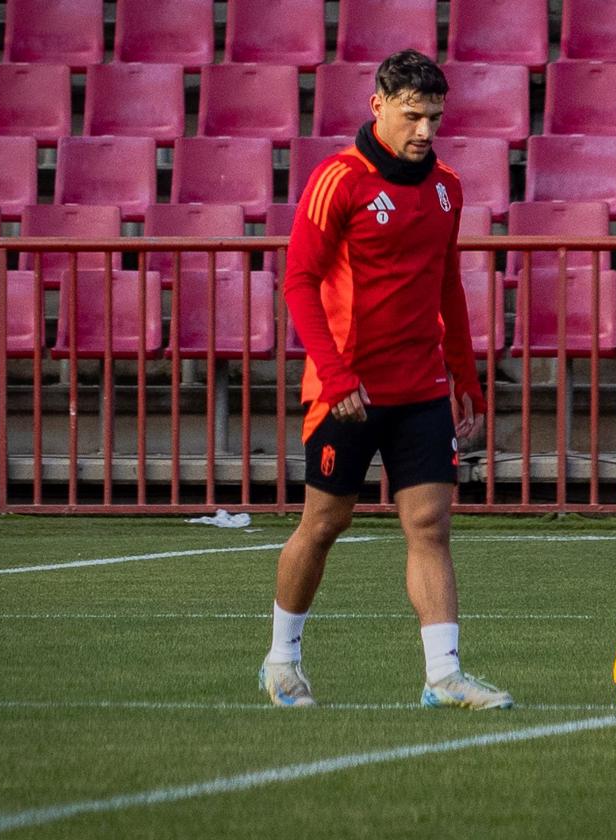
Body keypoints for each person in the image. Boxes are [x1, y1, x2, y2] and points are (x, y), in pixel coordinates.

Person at [258, 50, 512, 711]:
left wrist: (465, 373)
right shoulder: (337, 180)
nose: (425, 131)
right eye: (412, 116)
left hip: (422, 386)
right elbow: (299, 281)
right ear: (378, 105)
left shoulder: (447, 188)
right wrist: (336, 373)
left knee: (430, 525)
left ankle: (444, 676)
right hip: (348, 391)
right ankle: (281, 662)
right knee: (325, 522)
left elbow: (447, 283)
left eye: (434, 118)